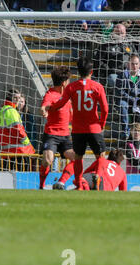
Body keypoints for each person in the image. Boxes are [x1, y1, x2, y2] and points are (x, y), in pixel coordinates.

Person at [46, 56, 109, 190]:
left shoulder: (71, 87)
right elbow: (105, 109)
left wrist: (50, 108)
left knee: (78, 157)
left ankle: (79, 185)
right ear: (91, 72)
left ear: (78, 72)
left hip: (77, 130)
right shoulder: (98, 87)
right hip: (94, 129)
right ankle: (97, 175)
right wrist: (101, 123)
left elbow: (61, 103)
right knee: (101, 156)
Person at [39, 66, 76, 190]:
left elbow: (71, 116)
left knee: (76, 158)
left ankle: (60, 182)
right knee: (47, 161)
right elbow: (45, 105)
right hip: (51, 134)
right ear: (64, 82)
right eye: (68, 81)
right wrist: (44, 110)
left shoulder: (68, 97)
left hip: (65, 135)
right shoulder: (50, 94)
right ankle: (41, 186)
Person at [0, 88, 35, 171]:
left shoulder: (3, 110)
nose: (18, 100)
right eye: (15, 98)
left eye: (19, 98)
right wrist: (29, 145)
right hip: (18, 152)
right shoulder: (11, 111)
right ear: (10, 98)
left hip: (8, 152)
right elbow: (18, 131)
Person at [115, 54, 140, 140]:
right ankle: (126, 132)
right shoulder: (122, 75)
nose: (134, 66)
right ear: (128, 64)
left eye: (136, 64)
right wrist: (132, 99)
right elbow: (120, 91)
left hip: (138, 100)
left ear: (139, 64)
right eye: (132, 64)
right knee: (123, 105)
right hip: (126, 99)